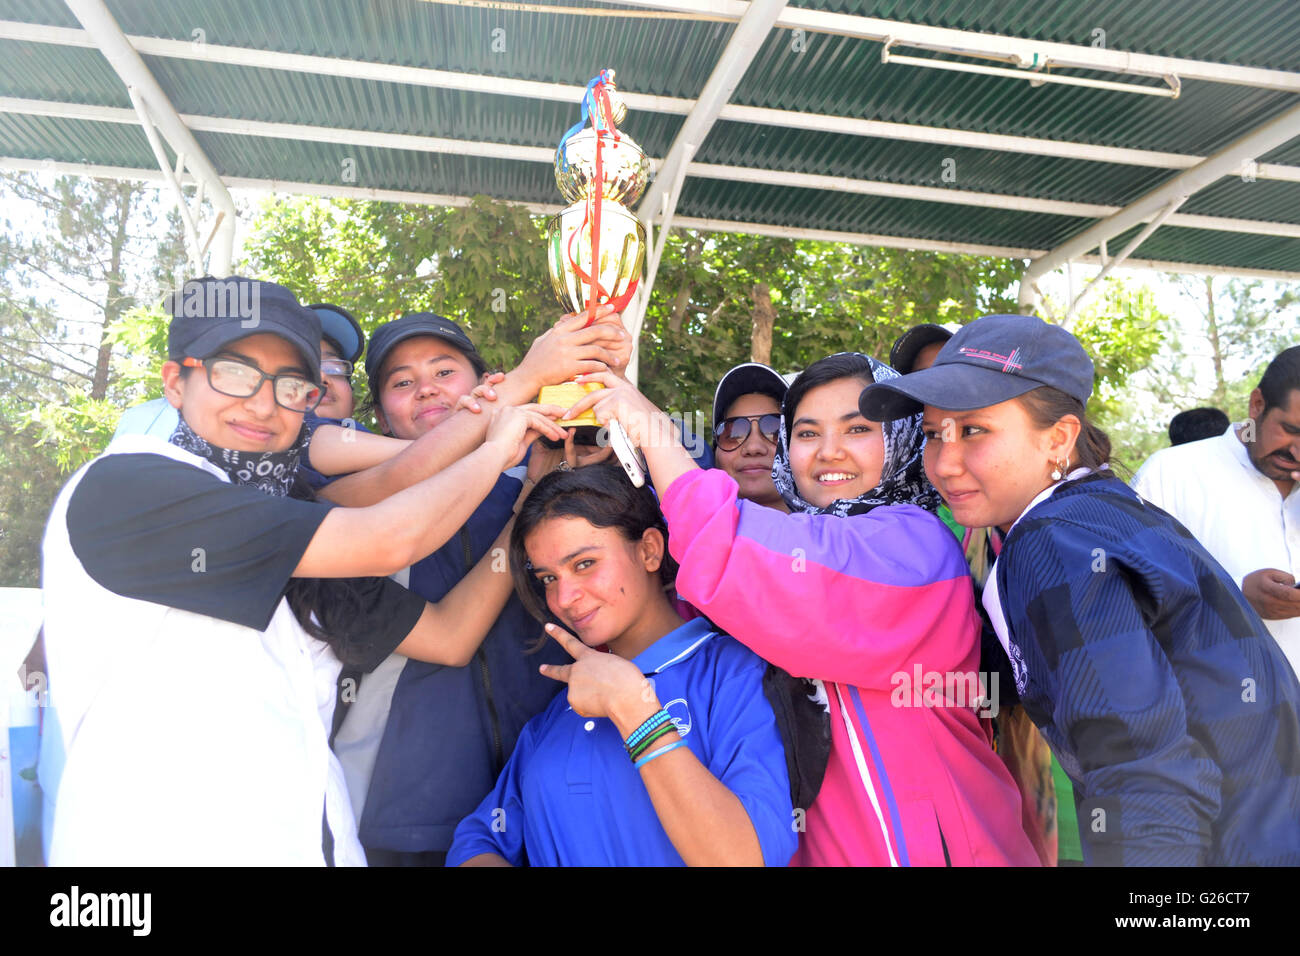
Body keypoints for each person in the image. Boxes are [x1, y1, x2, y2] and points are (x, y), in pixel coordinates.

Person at [40, 277, 565, 865]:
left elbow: (447, 634)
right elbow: (392, 531)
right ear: (174, 383)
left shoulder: (295, 533)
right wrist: (500, 435)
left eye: (290, 386)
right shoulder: (129, 486)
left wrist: (524, 503)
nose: (263, 404)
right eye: (233, 373)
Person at [860, 313, 1300, 866]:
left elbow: (1143, 776)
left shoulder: (1053, 540)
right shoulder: (1100, 512)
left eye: (974, 430)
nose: (944, 462)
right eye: (932, 434)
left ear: (1059, 438)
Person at [564, 355, 1039, 867]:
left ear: (902, 439)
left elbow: (734, 551)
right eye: (808, 433)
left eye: (857, 428)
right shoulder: (797, 542)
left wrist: (657, 436)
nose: (829, 451)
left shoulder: (915, 545)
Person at [328, 309, 631, 865]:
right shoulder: (358, 503)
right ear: (380, 416)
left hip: (542, 800)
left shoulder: (550, 474)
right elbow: (448, 639)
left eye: (445, 371)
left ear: (484, 386)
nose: (426, 389)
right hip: (401, 815)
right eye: (401, 382)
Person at [447, 463, 797, 866]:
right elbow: (476, 840)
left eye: (583, 564)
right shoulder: (557, 713)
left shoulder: (733, 672)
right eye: (547, 578)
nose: (564, 598)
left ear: (649, 549)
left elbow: (745, 857)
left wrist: (635, 712)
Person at [1132, 348, 1300, 675]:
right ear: (1257, 404)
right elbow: (1118, 591)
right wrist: (1231, 597)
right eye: (1291, 430)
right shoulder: (1170, 474)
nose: (1297, 451)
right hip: (1211, 719)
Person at [711, 362, 789, 511]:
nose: (753, 448)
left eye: (775, 432)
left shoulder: (835, 530)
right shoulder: (680, 532)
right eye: (734, 434)